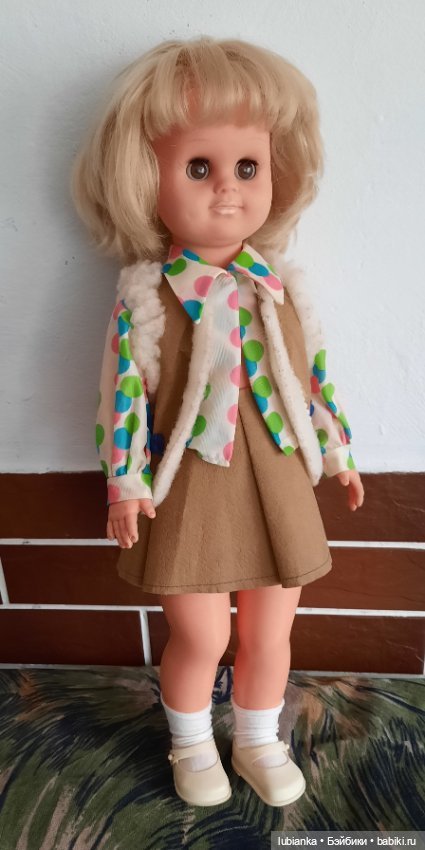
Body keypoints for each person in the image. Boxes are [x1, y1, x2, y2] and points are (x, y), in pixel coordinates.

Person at [71, 36, 365, 808]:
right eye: (199, 167)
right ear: (146, 178)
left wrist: (336, 451)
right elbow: (120, 398)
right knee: (202, 634)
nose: (228, 189)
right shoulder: (149, 296)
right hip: (190, 490)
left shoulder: (280, 288)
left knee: (269, 631)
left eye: (247, 166)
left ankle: (258, 739)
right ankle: (192, 742)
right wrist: (124, 484)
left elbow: (311, 377)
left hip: (277, 484)